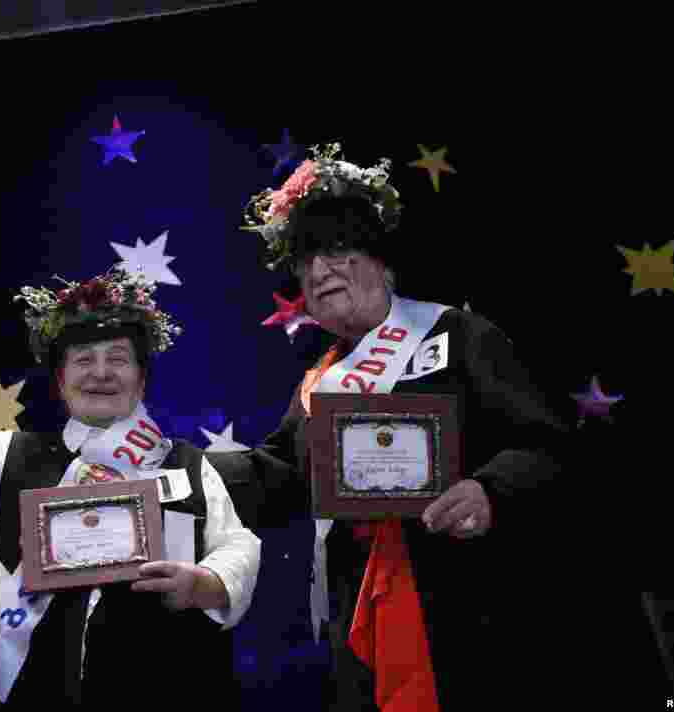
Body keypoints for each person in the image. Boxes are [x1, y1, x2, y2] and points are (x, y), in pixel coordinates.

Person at [207, 143, 578, 711]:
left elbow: (547, 444)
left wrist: (489, 489)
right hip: (359, 618)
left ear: (380, 259)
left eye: (336, 249)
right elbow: (276, 475)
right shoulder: (318, 380)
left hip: (469, 609)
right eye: (304, 260)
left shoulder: (456, 333)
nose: (318, 269)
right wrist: (181, 466)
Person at [0, 259, 261, 709]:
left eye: (118, 360)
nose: (100, 373)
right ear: (61, 381)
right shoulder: (12, 456)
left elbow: (237, 543)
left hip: (173, 690)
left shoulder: (186, 464)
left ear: (142, 380)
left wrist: (206, 583)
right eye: (84, 360)